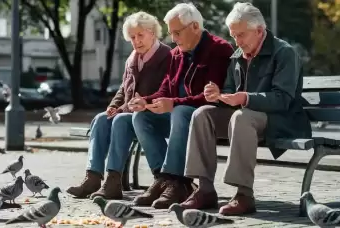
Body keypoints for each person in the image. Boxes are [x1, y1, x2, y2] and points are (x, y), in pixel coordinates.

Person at [182, 2, 311, 216]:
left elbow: (283, 100)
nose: (237, 41)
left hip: (281, 120)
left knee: (241, 117)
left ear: (259, 31)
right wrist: (218, 95)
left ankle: (244, 195)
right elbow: (230, 91)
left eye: (240, 35)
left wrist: (245, 98)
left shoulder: (285, 53)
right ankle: (204, 189)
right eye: (233, 36)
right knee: (202, 114)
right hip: (245, 117)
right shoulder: (237, 56)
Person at [128, 3, 233, 209]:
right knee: (141, 117)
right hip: (179, 116)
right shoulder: (177, 54)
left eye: (177, 33)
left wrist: (172, 103)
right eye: (171, 33)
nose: (173, 39)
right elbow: (165, 90)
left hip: (205, 118)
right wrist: (146, 101)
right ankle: (164, 179)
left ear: (195, 26)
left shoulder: (219, 49)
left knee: (181, 111)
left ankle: (178, 181)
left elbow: (210, 97)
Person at [66, 11, 172, 200]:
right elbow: (124, 89)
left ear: (153, 33)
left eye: (140, 35)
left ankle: (113, 180)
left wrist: (141, 103)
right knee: (101, 118)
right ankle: (93, 176)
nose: (136, 41)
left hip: (152, 115)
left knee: (122, 120)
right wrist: (114, 105)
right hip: (130, 112)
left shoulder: (167, 56)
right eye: (132, 37)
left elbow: (167, 91)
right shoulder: (131, 59)